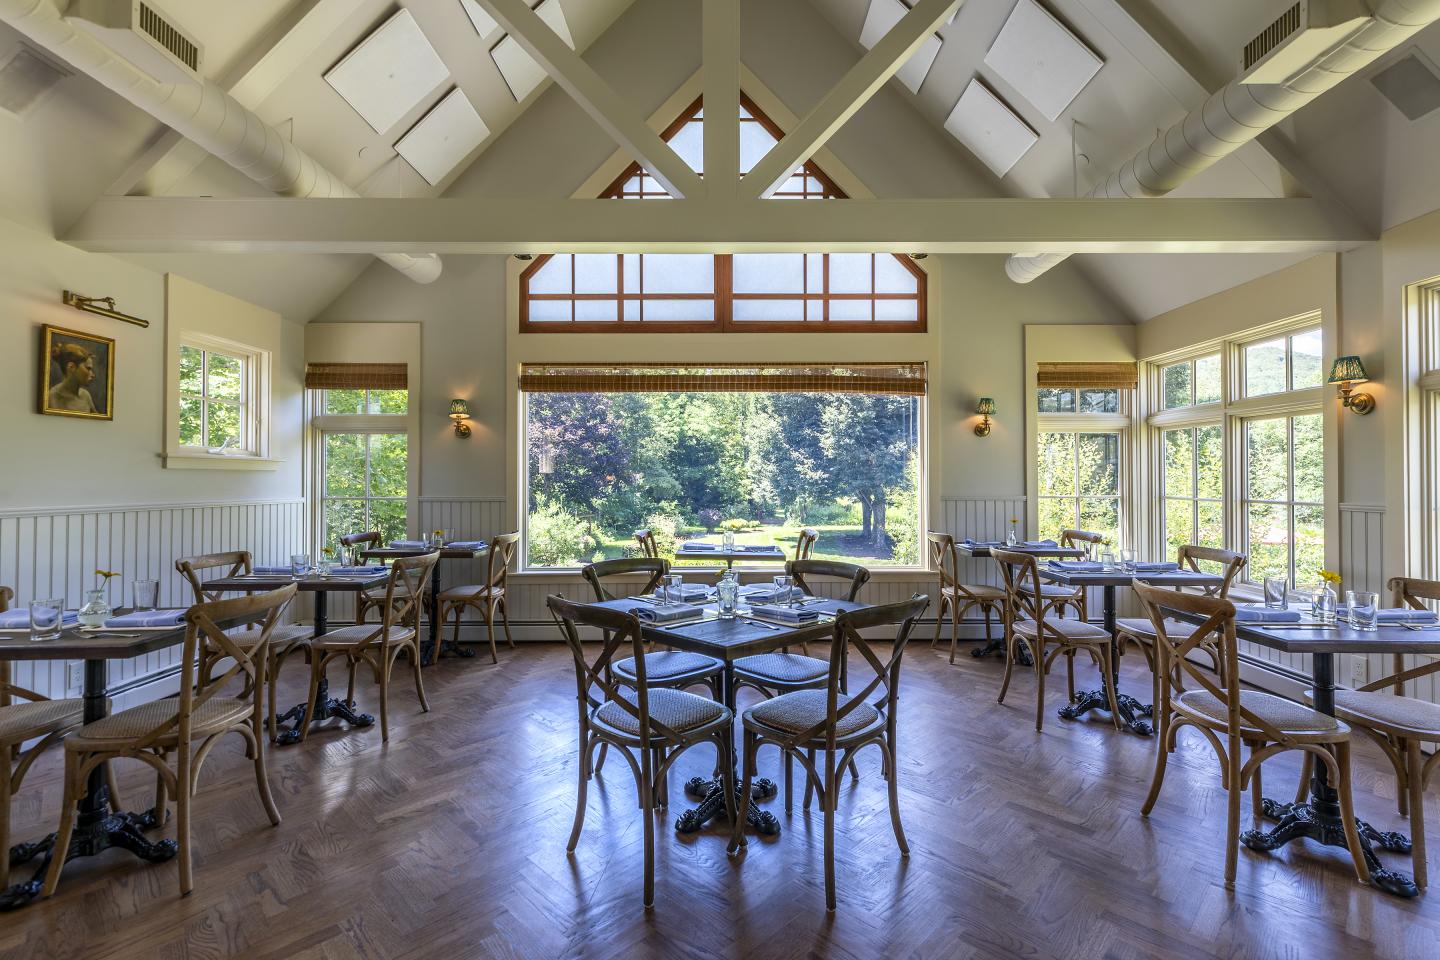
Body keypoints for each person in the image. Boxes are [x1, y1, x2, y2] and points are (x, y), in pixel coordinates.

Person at [47, 341, 99, 414]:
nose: (93, 375)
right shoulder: (52, 397)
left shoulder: (85, 395)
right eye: (88, 368)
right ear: (71, 367)